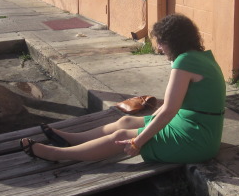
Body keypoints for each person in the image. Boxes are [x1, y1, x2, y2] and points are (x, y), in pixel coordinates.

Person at [20, 13, 226, 163]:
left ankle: (57, 155)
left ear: (174, 41)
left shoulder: (185, 61)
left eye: (162, 42)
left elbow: (170, 111)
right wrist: (149, 123)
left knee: (122, 137)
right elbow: (175, 106)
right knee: (126, 121)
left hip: (195, 138)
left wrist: (138, 142)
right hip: (196, 126)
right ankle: (70, 139)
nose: (159, 47)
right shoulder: (200, 56)